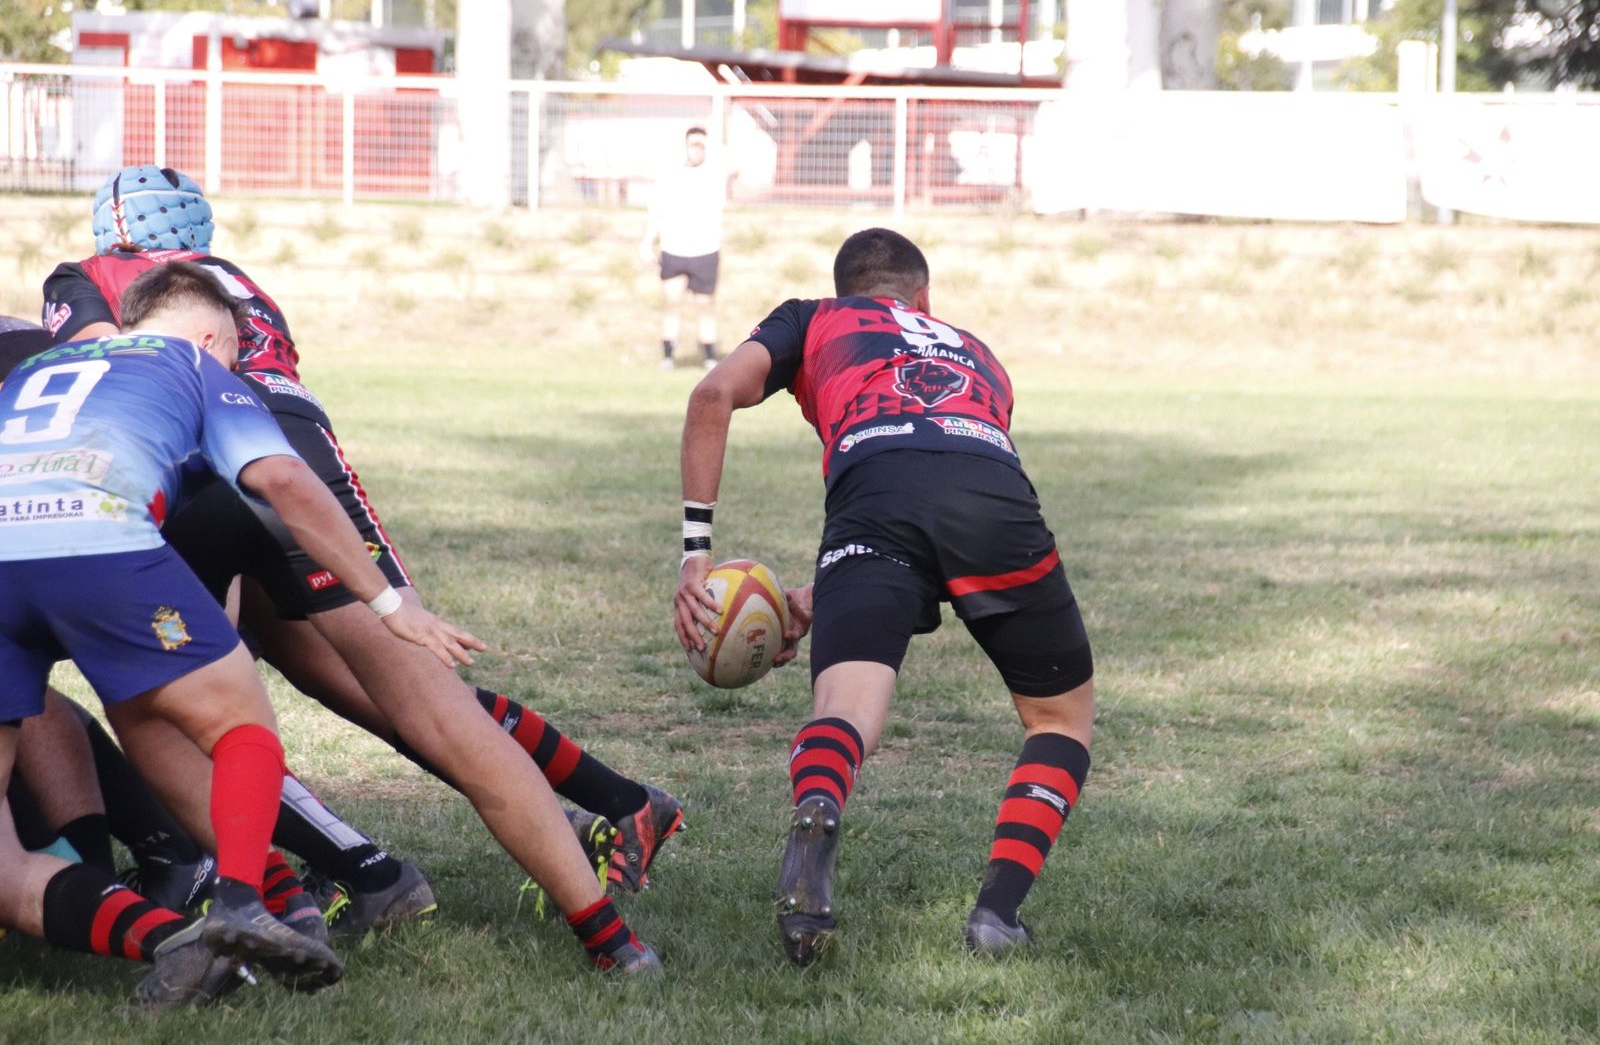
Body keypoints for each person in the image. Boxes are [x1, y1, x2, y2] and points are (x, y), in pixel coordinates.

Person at [43, 166, 673, 971]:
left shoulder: (85, 277)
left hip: (190, 460)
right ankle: (611, 937)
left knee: (163, 710)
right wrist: (385, 597)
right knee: (427, 701)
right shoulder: (238, 284)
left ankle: (275, 891)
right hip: (297, 451)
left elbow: (101, 373)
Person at [0, 260, 480, 999]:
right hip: (96, 543)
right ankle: (240, 902)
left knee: (2, 864)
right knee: (241, 725)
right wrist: (392, 604)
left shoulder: (44, 360)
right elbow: (285, 481)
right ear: (210, 335)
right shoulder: (193, 359)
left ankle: (169, 941)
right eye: (234, 356)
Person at [674, 228, 1097, 965]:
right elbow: (948, 511)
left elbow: (714, 392)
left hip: (872, 493)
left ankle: (821, 804)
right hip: (989, 490)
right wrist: (824, 594)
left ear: (847, 293)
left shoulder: (813, 319)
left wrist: (696, 554)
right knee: (1060, 717)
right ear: (923, 297)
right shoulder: (979, 351)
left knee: (844, 713)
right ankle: (997, 912)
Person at [640, 126, 729, 371]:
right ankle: (668, 355)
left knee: (705, 304)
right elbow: (656, 211)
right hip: (674, 249)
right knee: (671, 301)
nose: (697, 150)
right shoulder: (671, 175)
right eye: (693, 144)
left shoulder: (714, 174)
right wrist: (647, 242)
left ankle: (709, 356)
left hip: (705, 250)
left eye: (701, 145)